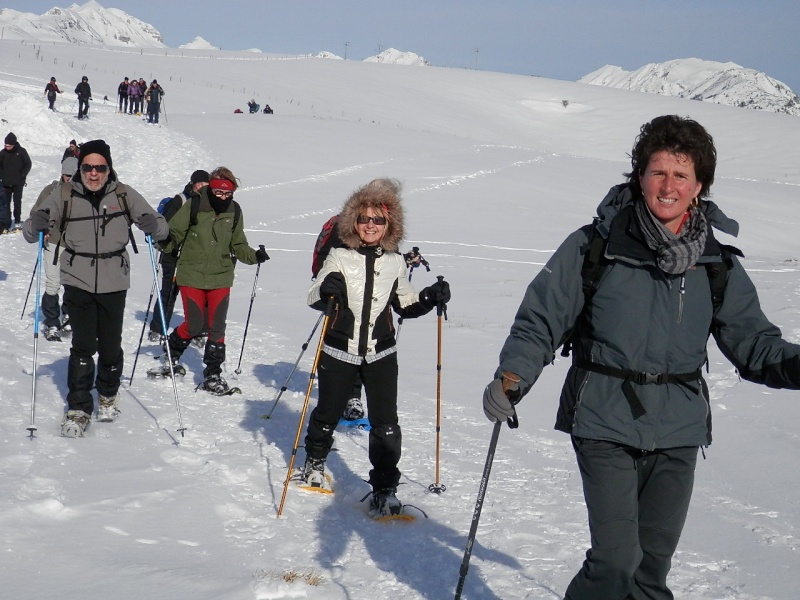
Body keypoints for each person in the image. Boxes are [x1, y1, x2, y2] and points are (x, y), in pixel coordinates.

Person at [482, 114, 800, 600]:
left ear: (699, 186)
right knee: (616, 562)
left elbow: (755, 344)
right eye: (658, 171)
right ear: (640, 177)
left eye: (681, 174)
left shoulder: (716, 264)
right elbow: (541, 319)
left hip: (678, 426)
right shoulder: (596, 246)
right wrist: (512, 376)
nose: (668, 185)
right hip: (603, 415)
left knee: (650, 572)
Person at [303, 178, 451, 517]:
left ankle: (385, 488)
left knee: (386, 425)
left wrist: (428, 298)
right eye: (365, 218)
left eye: (378, 219)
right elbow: (313, 295)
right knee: (326, 413)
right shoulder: (339, 255)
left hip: (381, 352)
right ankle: (314, 460)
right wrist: (327, 287)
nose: (371, 225)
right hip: (339, 349)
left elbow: (405, 304)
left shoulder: (396, 262)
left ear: (389, 225)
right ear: (353, 222)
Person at [22, 139, 169, 438]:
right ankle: (78, 406)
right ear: (80, 168)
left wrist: (153, 226)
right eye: (88, 167)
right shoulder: (63, 194)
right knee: (84, 344)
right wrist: (35, 223)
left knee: (111, 345)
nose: (93, 173)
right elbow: (29, 232)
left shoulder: (124, 194)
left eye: (100, 167)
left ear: (108, 168)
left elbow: (162, 226)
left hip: (115, 279)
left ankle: (107, 394)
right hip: (77, 278)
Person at [150, 167, 268, 394]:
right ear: (211, 188)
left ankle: (213, 374)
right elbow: (174, 233)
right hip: (191, 274)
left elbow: (238, 243)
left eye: (227, 194)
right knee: (193, 324)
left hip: (220, 276)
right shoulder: (193, 205)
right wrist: (164, 242)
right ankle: (171, 353)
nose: (223, 198)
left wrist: (254, 256)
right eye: (219, 193)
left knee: (217, 328)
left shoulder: (234, 210)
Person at [147, 169, 210, 343]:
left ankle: (197, 331)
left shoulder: (207, 204)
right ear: (193, 184)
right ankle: (158, 328)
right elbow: (167, 227)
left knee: (197, 295)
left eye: (206, 184)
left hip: (193, 257)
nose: (203, 187)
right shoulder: (180, 201)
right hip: (173, 255)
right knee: (169, 292)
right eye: (200, 184)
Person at [30, 156, 79, 341]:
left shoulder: (83, 193)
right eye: (66, 175)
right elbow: (36, 213)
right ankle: (52, 322)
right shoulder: (51, 190)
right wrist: (43, 229)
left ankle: (68, 314)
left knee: (72, 282)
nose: (69, 179)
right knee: (53, 282)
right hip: (53, 242)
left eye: (73, 175)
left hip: (75, 244)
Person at [0, 132, 32, 230]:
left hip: (18, 183)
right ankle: (7, 223)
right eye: (5, 145)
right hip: (6, 183)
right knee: (6, 204)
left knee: (17, 202)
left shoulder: (21, 152)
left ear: (14, 144)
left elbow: (28, 163)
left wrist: (22, 175)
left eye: (9, 146)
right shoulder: (2, 153)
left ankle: (17, 221)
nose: (7, 147)